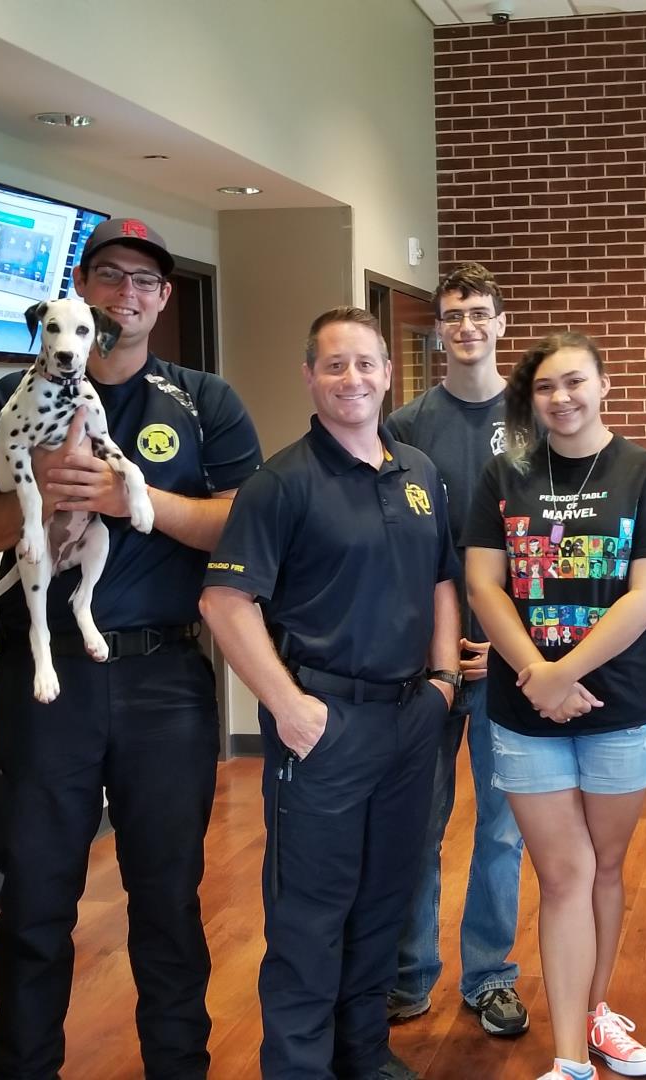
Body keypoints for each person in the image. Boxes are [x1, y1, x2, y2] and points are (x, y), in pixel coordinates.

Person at [0, 216, 263, 1080]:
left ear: (163, 300)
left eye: (147, 282)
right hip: (43, 681)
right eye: (111, 276)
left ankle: (178, 1068)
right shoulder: (7, 400)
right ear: (77, 294)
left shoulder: (206, 399)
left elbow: (244, 521)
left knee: (166, 899)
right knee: (36, 902)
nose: (128, 294)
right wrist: (35, 500)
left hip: (163, 678)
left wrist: (128, 499)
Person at [200, 307, 461, 1080]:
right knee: (311, 916)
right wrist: (289, 707)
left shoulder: (417, 473)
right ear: (309, 376)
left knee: (385, 899)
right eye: (336, 365)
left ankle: (362, 1055)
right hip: (324, 726)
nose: (353, 378)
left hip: (411, 719)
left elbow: (444, 575)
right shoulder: (280, 483)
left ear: (389, 374)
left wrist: (444, 680)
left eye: (367, 364)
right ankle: (300, 1066)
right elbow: (223, 603)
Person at [463, 331, 646, 1080]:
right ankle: (569, 1059)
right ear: (531, 400)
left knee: (607, 867)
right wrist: (538, 673)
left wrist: (564, 672)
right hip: (524, 706)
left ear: (603, 386)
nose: (562, 398)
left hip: (622, 703)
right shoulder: (505, 472)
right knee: (562, 874)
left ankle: (598, 1014)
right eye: (546, 388)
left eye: (575, 382)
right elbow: (484, 586)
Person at [385, 264, 531, 1041]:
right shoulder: (406, 425)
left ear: (501, 323)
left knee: (503, 830)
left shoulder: (536, 417)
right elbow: (402, 544)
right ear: (438, 330)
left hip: (510, 657)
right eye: (453, 315)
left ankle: (491, 978)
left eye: (479, 313)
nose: (467, 326)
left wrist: (505, 648)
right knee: (421, 820)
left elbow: (551, 544)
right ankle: (408, 977)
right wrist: (448, 650)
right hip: (428, 660)